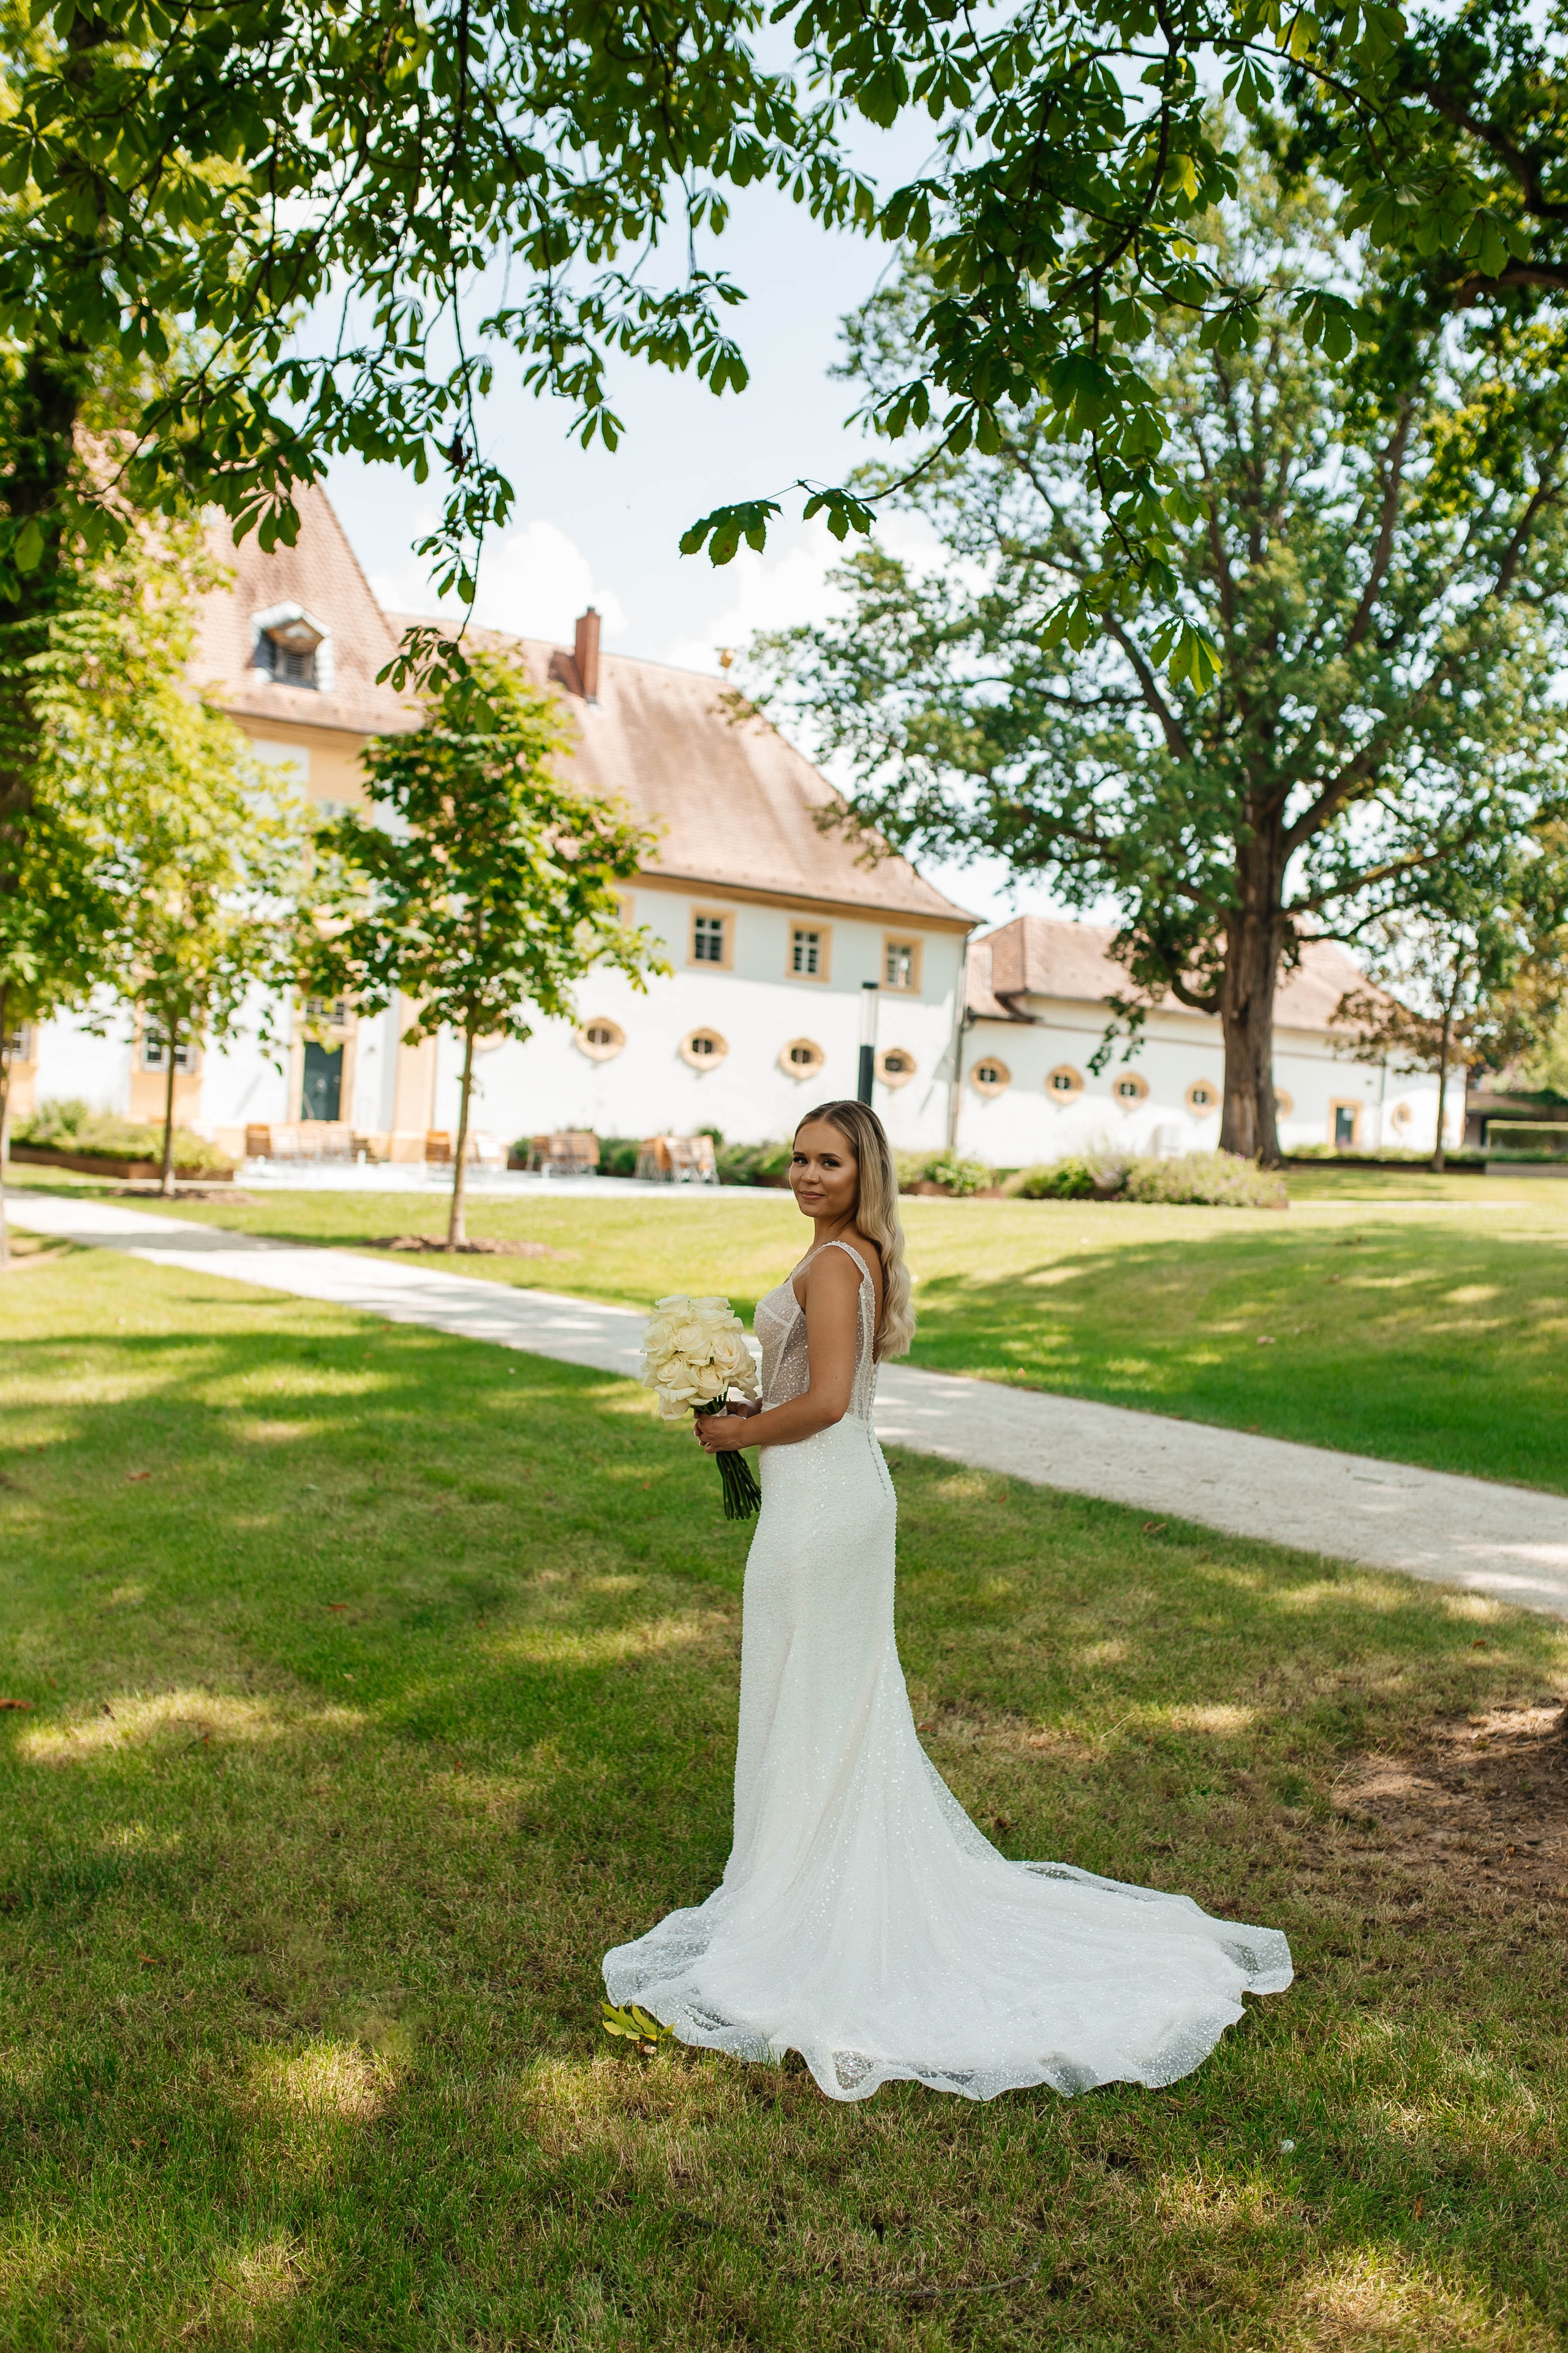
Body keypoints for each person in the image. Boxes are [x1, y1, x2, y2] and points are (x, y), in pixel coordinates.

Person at [602, 1100, 1291, 2101]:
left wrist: (738, 1434)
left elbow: (832, 1400)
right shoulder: (844, 1254)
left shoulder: (838, 1266)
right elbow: (818, 1386)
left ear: (863, 1171)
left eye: (827, 1161)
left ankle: (802, 1897)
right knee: (824, 1693)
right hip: (824, 1490)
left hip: (824, 1498)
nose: (805, 1174)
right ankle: (797, 1869)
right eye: (797, 1157)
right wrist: (749, 1409)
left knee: (819, 1693)